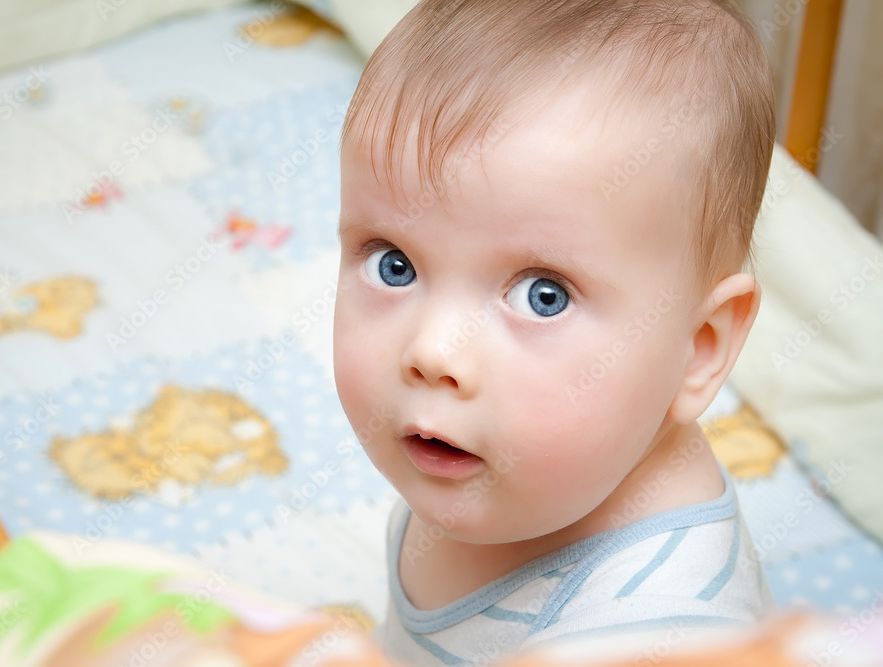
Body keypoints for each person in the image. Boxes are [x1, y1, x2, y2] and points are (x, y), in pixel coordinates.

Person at [331, 0, 777, 663]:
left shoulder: (662, 629)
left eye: (544, 296)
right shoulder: (483, 454)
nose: (432, 350)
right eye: (394, 264)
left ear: (699, 348)